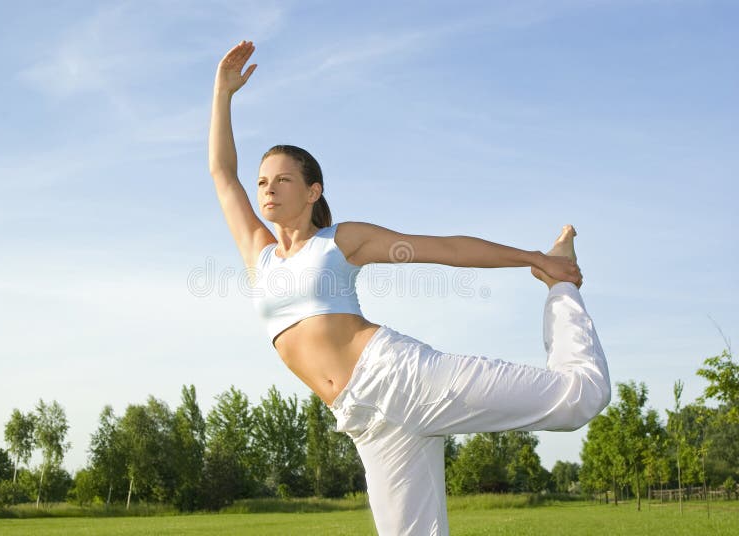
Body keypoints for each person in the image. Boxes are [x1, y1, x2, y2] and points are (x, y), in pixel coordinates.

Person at [209, 40, 611, 536]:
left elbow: (445, 249)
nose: (267, 188)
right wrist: (223, 93)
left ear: (313, 192)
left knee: (580, 399)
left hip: (399, 377)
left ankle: (560, 284)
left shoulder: (341, 241)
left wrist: (532, 258)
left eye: (283, 179)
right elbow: (222, 174)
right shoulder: (260, 254)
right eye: (264, 180)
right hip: (365, 421)